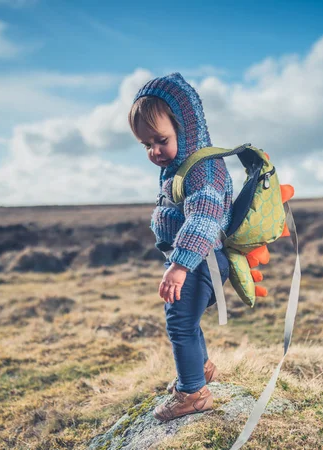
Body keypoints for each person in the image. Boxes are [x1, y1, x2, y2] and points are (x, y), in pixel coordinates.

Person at [127, 72, 233, 422]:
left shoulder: (203, 169)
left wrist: (180, 265)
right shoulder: (178, 167)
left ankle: (193, 394)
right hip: (195, 260)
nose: (154, 151)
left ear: (185, 130)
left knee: (180, 323)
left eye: (160, 140)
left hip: (201, 261)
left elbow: (203, 218)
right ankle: (200, 370)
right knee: (185, 319)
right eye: (146, 145)